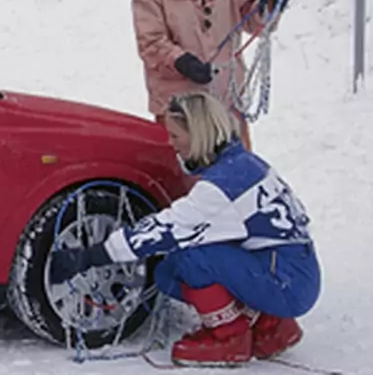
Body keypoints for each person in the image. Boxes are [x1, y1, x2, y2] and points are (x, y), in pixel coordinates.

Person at [48, 92, 320, 367]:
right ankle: (272, 326)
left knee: (190, 258)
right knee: (169, 271)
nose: (172, 144)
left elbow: (168, 227)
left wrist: (92, 256)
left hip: (286, 282)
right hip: (293, 271)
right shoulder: (244, 164)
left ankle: (230, 338)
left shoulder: (221, 187)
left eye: (176, 136)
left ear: (198, 133)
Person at [131, 0, 290, 150]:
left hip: (225, 99)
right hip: (181, 107)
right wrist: (181, 61)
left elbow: (256, 20)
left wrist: (270, 6)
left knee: (237, 174)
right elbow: (150, 43)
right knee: (187, 178)